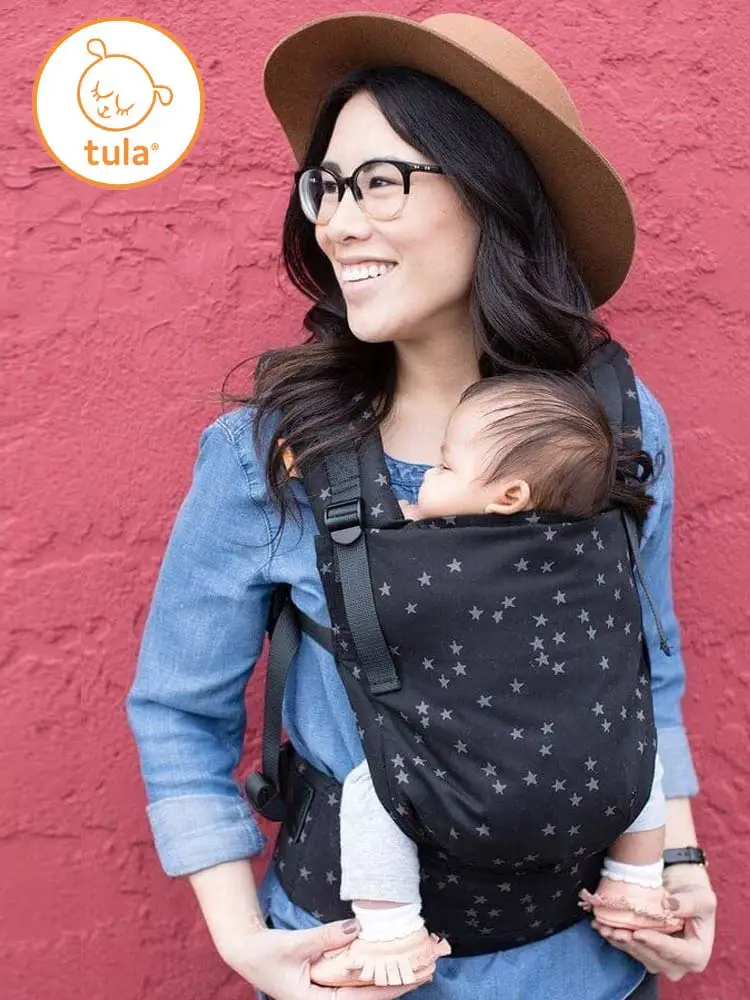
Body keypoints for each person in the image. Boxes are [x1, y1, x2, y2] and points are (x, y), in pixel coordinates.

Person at [126, 12, 716, 1000]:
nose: (338, 220)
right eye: (328, 186)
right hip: (361, 968)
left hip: (587, 968)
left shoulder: (615, 423)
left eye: (382, 183)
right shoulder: (268, 452)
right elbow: (177, 708)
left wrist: (674, 870)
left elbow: (646, 671)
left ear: (495, 195)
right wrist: (245, 943)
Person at [309, 372, 682, 990]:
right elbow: (649, 669)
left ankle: (391, 932)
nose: (429, 477)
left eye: (446, 467)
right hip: (587, 771)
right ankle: (635, 885)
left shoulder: (413, 540)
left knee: (371, 794)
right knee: (640, 761)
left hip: (447, 782)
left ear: (507, 497)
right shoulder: (584, 549)